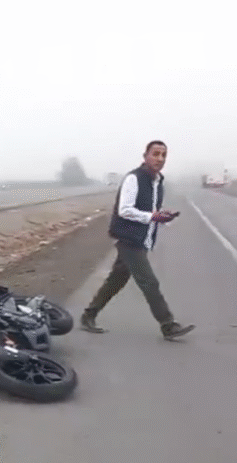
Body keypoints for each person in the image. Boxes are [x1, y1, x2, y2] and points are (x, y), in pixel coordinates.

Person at [78, 140, 195, 340]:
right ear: (145, 156)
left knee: (116, 280)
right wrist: (152, 216)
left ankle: (88, 315)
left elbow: (149, 210)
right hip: (129, 239)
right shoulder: (134, 178)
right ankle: (168, 325)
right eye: (155, 154)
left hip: (141, 239)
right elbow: (125, 210)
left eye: (163, 155)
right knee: (149, 282)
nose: (160, 159)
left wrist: (161, 215)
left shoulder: (157, 182)